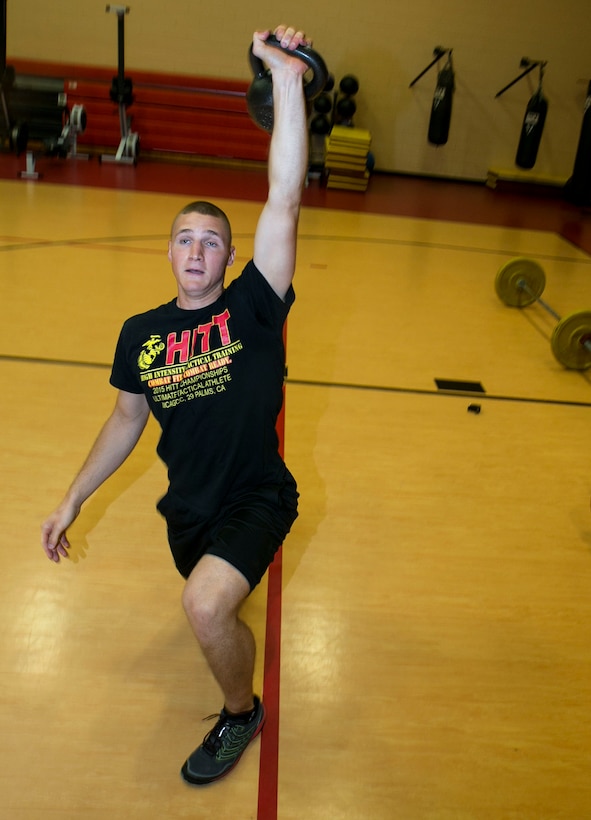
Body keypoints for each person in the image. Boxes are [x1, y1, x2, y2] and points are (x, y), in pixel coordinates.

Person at [41, 23, 310, 786]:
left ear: (231, 257)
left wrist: (285, 81)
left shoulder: (254, 307)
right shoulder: (142, 333)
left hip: (257, 495)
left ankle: (240, 714)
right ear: (168, 253)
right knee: (209, 600)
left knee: (203, 607)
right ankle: (223, 607)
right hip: (188, 507)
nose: (196, 250)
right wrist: (72, 498)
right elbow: (125, 419)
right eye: (184, 239)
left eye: (211, 241)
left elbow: (284, 196)